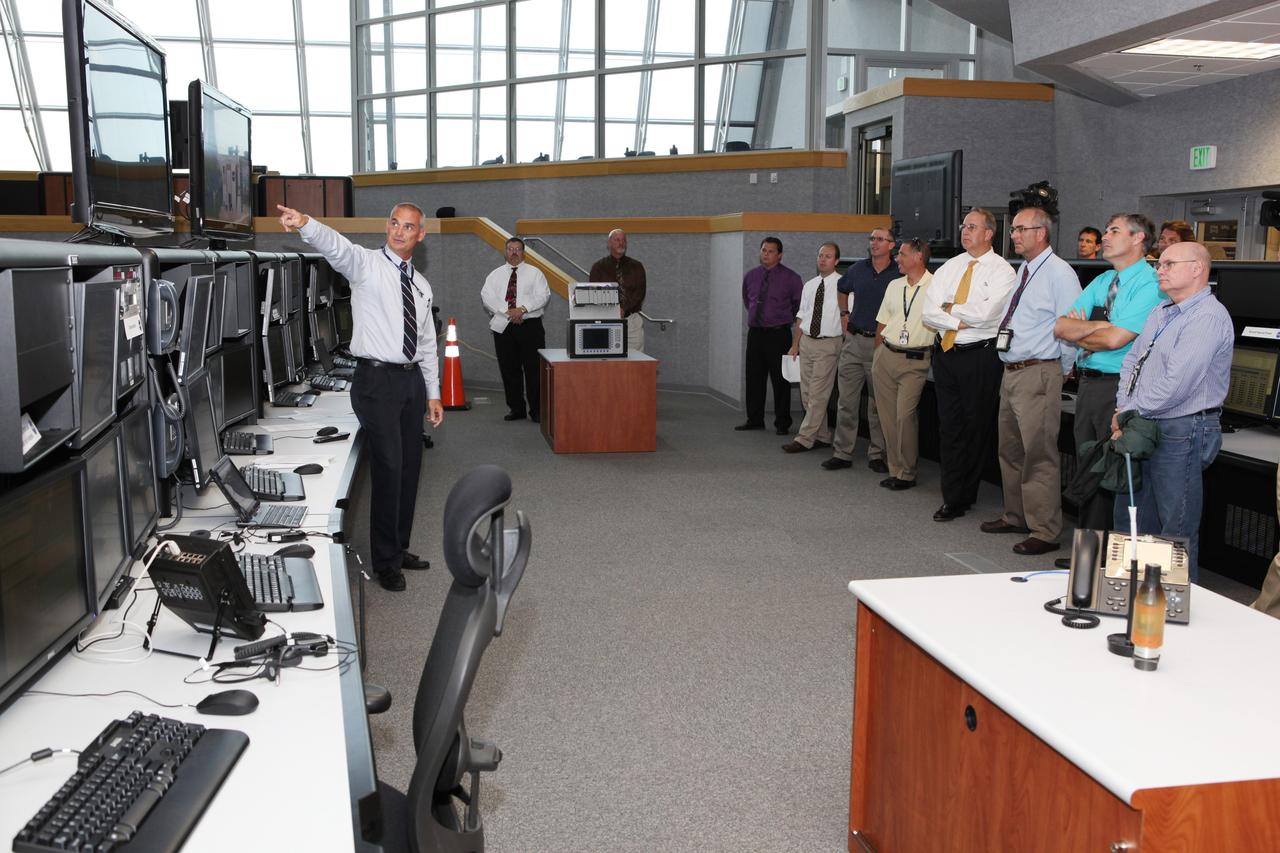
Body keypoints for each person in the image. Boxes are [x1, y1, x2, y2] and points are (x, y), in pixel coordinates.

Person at [277, 202, 444, 592]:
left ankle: (399, 548)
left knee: (408, 470)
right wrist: (305, 222)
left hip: (410, 383)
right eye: (394, 223)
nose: (399, 231)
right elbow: (336, 247)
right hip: (376, 383)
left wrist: (433, 393)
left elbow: (426, 343)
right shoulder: (365, 265)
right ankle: (385, 562)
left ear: (421, 235)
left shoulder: (421, 284)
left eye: (409, 227)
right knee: (387, 470)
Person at [1110, 240, 1232, 580]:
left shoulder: (1207, 317)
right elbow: (1132, 362)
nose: (1158, 270)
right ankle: (1132, 596)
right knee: (1134, 518)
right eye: (1158, 264)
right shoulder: (1161, 311)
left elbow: (1177, 383)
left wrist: (1130, 414)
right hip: (1144, 422)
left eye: (1168, 264)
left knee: (1173, 527)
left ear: (1197, 269)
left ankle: (1171, 608)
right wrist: (1125, 406)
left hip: (1182, 429)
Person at [1054, 213, 1162, 539]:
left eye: (1114, 230)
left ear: (1138, 238)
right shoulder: (1103, 281)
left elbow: (1117, 339)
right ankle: (1088, 549)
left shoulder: (1151, 284)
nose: (1105, 237)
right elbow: (1061, 326)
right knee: (1088, 464)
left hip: (1119, 388)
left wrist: (1087, 331)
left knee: (1109, 469)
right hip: (1088, 383)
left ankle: (1103, 554)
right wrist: (1100, 329)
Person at [981, 207, 1080, 556]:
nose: (1014, 235)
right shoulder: (1025, 270)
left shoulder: (1059, 273)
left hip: (1039, 371)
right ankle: (1016, 514)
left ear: (1042, 232)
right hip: (1012, 371)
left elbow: (1071, 326)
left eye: (1021, 229)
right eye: (1013, 230)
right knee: (1010, 450)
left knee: (1039, 454)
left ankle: (1045, 529)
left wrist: (1063, 367)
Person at [921, 208, 1017, 521]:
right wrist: (957, 316)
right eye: (964, 226)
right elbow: (928, 311)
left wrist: (949, 310)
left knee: (975, 427)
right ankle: (952, 497)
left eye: (972, 226)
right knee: (949, 427)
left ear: (989, 233)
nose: (965, 231)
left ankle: (967, 493)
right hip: (946, 354)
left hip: (980, 356)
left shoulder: (1003, 271)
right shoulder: (951, 265)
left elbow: (987, 315)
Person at [825, 228, 896, 473]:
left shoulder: (899, 273)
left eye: (880, 239)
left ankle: (877, 454)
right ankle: (842, 452)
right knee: (846, 402)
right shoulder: (857, 269)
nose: (874, 243)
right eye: (872, 239)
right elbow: (842, 289)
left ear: (892, 245)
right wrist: (844, 314)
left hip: (882, 345)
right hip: (854, 343)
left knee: (877, 405)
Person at [871, 237, 933, 491]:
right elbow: (882, 323)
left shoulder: (937, 286)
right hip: (886, 355)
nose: (897, 258)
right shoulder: (894, 285)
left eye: (903, 254)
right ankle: (895, 470)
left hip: (915, 360)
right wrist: (877, 356)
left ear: (918, 257)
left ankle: (907, 472)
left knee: (905, 416)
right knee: (887, 417)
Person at [736, 237, 804, 435]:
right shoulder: (751, 276)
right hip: (755, 333)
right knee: (754, 378)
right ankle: (754, 419)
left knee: (780, 380)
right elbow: (748, 301)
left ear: (780, 255)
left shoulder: (791, 278)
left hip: (778, 334)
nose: (766, 254)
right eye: (763, 250)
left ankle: (782, 422)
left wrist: (779, 319)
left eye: (771, 251)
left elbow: (798, 307)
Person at [782, 242, 843, 453]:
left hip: (828, 343)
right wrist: (795, 345)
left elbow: (846, 317)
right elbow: (801, 317)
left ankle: (804, 438)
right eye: (820, 255)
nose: (822, 259)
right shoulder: (810, 285)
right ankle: (824, 435)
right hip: (807, 342)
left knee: (818, 394)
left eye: (828, 256)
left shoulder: (843, 285)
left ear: (836, 261)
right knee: (807, 394)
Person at [481, 237, 550, 423]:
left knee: (534, 369)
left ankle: (537, 410)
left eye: (517, 249)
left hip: (530, 327)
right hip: (504, 327)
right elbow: (487, 296)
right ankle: (516, 408)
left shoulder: (536, 274)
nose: (514, 252)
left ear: (523, 252)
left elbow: (543, 295)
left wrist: (522, 309)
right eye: (510, 249)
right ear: (505, 252)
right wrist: (509, 312)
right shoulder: (494, 275)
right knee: (509, 369)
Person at [589, 228, 647, 353]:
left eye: (623, 240)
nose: (621, 243)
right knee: (607, 359)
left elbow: (640, 293)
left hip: (632, 321)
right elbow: (594, 294)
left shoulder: (637, 266)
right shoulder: (598, 267)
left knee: (636, 360)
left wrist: (623, 309)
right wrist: (613, 310)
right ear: (609, 243)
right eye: (617, 240)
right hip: (605, 320)